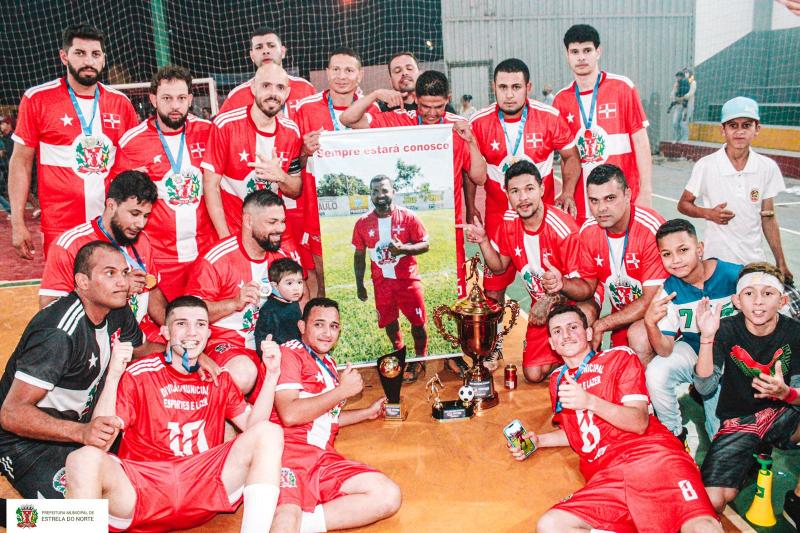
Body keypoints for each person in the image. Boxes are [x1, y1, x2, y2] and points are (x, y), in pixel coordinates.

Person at [65, 295, 284, 532]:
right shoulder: (140, 374)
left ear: (209, 334)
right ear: (166, 332)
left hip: (203, 484)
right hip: (144, 488)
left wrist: (272, 375)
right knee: (83, 459)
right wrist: (114, 375)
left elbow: (254, 427)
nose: (192, 332)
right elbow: (101, 442)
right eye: (181, 324)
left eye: (200, 324)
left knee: (269, 432)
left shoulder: (218, 378)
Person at [508, 304, 721, 532]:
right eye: (557, 331)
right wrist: (538, 441)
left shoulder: (618, 357)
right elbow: (578, 432)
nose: (566, 335)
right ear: (552, 343)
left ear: (589, 333)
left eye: (573, 327)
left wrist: (590, 401)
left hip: (652, 458)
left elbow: (639, 422)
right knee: (551, 525)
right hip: (608, 476)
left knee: (701, 526)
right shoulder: (557, 380)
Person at [0, 241, 142, 498]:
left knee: (135, 490)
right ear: (83, 282)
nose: (123, 282)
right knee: (77, 514)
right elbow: (11, 414)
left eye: (125, 272)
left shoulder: (116, 309)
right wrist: (81, 433)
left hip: (82, 427)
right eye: (110, 273)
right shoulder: (58, 333)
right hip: (27, 441)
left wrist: (179, 350)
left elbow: (140, 350)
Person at [340, 70, 487, 302]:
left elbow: (479, 177)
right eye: (425, 106)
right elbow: (347, 119)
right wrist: (375, 94)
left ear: (448, 99)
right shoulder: (401, 121)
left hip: (450, 230)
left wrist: (471, 141)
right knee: (409, 292)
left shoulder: (457, 127)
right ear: (416, 99)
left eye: (438, 106)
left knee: (451, 300)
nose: (431, 113)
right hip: (403, 225)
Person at [469, 59, 581, 365]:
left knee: (555, 282)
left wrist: (568, 191)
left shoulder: (549, 117)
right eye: (503, 87)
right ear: (493, 88)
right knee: (494, 285)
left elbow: (571, 156)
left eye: (516, 87)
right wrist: (470, 205)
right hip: (498, 215)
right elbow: (469, 168)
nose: (509, 94)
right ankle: (492, 345)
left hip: (540, 218)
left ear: (528, 87)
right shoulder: (479, 122)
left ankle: (566, 341)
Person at [269, 298, 402, 532]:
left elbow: (325, 418)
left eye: (333, 326)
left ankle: (302, 526)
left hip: (323, 458)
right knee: (288, 514)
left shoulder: (329, 363)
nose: (327, 333)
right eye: (319, 324)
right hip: (290, 454)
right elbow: (290, 414)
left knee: (388, 495)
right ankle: (292, 521)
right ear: (302, 326)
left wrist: (367, 412)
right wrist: (341, 391)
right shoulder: (289, 353)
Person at [9, 24, 139, 259]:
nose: (88, 61)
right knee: (63, 284)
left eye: (95, 54)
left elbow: (133, 164)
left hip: (111, 223)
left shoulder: (121, 103)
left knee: (115, 282)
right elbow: (20, 161)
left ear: (103, 59)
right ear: (64, 56)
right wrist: (17, 222)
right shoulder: (38, 99)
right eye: (80, 53)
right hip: (60, 226)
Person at [460, 160, 584, 383]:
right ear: (507, 194)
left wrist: (551, 298)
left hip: (572, 303)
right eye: (515, 191)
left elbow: (584, 288)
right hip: (543, 307)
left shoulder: (563, 229)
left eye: (529, 189)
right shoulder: (510, 221)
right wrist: (484, 240)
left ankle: (583, 354)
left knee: (584, 316)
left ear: (542, 189)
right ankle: (563, 356)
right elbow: (499, 266)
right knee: (533, 374)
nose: (523, 198)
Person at [694, 262, 800, 520]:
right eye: (749, 293)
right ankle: (751, 456)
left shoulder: (795, 332)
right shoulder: (725, 329)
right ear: (737, 301)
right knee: (713, 500)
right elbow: (704, 387)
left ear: (782, 300)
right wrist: (706, 338)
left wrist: (786, 394)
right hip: (740, 420)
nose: (758, 301)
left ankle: (796, 500)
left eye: (768, 293)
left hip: (784, 415)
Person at [186, 189, 303, 398]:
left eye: (282, 222)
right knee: (243, 373)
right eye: (272, 222)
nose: (280, 229)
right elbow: (189, 316)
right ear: (248, 221)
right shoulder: (217, 258)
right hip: (226, 344)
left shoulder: (282, 258)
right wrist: (233, 303)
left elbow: (303, 300)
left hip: (270, 345)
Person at [112, 65, 216, 301]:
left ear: (190, 99)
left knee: (201, 316)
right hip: (159, 256)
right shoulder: (132, 141)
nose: (175, 106)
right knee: (163, 319)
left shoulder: (209, 132)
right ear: (153, 99)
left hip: (205, 252)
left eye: (181, 98)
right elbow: (117, 200)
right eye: (167, 98)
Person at [38, 170, 167, 350]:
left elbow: (152, 291)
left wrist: (173, 324)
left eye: (145, 216)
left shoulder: (141, 240)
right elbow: (50, 310)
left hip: (138, 334)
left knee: (186, 356)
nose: (141, 224)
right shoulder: (70, 245)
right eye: (134, 213)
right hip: (92, 341)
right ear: (111, 205)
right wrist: (120, 287)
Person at [643, 218, 741, 444]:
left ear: (700, 249)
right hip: (695, 350)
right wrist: (650, 323)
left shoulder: (734, 275)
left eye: (683, 250)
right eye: (667, 254)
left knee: (721, 437)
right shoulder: (669, 290)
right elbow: (665, 350)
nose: (676, 260)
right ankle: (674, 434)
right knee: (657, 371)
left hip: (734, 357)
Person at [294, 47, 381, 297]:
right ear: (327, 72)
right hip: (318, 209)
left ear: (360, 75)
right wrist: (304, 151)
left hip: (362, 205)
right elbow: (294, 163)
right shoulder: (305, 108)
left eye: (349, 70)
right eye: (336, 69)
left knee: (368, 274)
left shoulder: (372, 110)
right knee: (324, 281)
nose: (342, 76)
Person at [677, 96, 793, 283]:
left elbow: (768, 217)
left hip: (753, 262)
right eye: (733, 126)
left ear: (757, 129)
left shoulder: (767, 167)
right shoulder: (706, 165)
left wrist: (781, 262)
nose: (740, 131)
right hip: (716, 261)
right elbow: (683, 204)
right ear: (723, 130)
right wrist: (708, 213)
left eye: (746, 125)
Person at [201, 63, 304, 269]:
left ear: (287, 92)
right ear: (253, 88)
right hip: (235, 231)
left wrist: (281, 176)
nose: (273, 93)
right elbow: (210, 185)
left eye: (279, 87)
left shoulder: (291, 131)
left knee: (296, 281)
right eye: (266, 86)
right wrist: (226, 239)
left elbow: (295, 190)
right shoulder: (225, 125)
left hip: (274, 233)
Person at [552, 24, 653, 225]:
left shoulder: (622, 88)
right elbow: (565, 157)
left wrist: (646, 191)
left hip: (624, 199)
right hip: (582, 205)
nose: (581, 57)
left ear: (598, 52)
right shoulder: (561, 100)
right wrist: (567, 192)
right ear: (567, 55)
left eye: (587, 50)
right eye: (575, 52)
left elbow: (641, 142)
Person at [571, 164, 667, 364]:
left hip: (660, 316)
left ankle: (651, 384)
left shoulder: (651, 229)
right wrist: (560, 286)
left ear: (627, 195)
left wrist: (602, 324)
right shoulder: (588, 231)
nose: (601, 208)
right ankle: (588, 375)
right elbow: (588, 286)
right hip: (623, 315)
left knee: (639, 337)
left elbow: (650, 300)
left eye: (610, 198)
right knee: (579, 317)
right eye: (594, 200)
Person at [352, 175, 430, 383]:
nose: (380, 195)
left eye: (384, 190)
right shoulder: (362, 223)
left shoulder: (409, 217)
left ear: (393, 192)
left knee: (418, 322)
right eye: (375, 191)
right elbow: (359, 256)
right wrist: (360, 285)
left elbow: (425, 244)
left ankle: (420, 358)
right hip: (382, 284)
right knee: (389, 322)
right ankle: (399, 352)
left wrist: (404, 249)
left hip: (408, 281)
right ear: (370, 195)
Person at [219, 27, 315, 118]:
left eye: (271, 46)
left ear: (283, 51)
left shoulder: (305, 89)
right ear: (252, 56)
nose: (265, 51)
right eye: (259, 47)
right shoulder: (236, 97)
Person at [376, 51, 455, 114]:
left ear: (420, 75)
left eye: (409, 68)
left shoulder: (440, 107)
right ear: (391, 82)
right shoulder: (382, 110)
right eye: (397, 71)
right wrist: (375, 94)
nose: (404, 73)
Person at [254, 257, 304, 349]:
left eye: (299, 282)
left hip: (298, 350)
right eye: (289, 283)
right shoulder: (268, 311)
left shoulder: (293, 301)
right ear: (275, 286)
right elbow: (261, 341)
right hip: (280, 354)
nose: (296, 288)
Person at [668, 70, 691, 141]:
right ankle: (678, 136)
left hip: (684, 106)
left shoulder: (685, 83)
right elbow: (674, 96)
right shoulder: (677, 84)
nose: (677, 78)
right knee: (675, 123)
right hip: (678, 106)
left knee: (683, 123)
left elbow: (685, 95)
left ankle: (685, 139)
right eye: (677, 77)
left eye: (678, 77)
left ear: (681, 77)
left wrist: (683, 103)